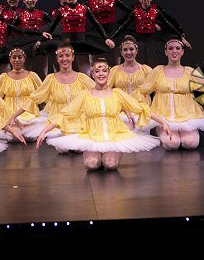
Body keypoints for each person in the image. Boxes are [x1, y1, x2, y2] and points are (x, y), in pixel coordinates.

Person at [36, 57, 165, 171]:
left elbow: (140, 107)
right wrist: (44, 131)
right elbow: (65, 114)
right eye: (97, 71)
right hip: (92, 136)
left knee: (110, 164)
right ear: (92, 74)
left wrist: (163, 122)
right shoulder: (85, 95)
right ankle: (95, 156)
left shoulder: (116, 93)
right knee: (92, 164)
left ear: (109, 73)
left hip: (114, 136)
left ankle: (111, 156)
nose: (101, 74)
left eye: (104, 71)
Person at [138, 39, 204, 150]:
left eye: (177, 48)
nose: (174, 51)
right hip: (164, 117)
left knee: (190, 143)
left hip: (187, 116)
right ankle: (168, 135)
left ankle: (184, 136)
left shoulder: (189, 72)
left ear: (182, 52)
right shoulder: (158, 71)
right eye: (170, 48)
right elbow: (142, 91)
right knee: (172, 144)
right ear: (166, 52)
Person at [21, 39, 95, 146]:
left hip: (79, 122)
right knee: (63, 147)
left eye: (67, 55)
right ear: (57, 59)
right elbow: (34, 98)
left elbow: (99, 92)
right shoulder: (51, 79)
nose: (64, 59)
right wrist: (13, 116)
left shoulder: (82, 78)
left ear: (73, 57)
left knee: (77, 146)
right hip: (57, 123)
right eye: (61, 56)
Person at [41, 0, 115, 74]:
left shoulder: (84, 8)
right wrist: (40, 41)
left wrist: (106, 38)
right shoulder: (61, 11)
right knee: (64, 72)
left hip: (81, 43)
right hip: (66, 45)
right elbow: (51, 29)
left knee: (85, 73)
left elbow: (96, 24)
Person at [112, 0, 191, 67]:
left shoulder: (156, 10)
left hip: (152, 40)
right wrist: (111, 38)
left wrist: (180, 34)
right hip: (138, 38)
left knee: (153, 62)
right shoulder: (135, 10)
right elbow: (124, 23)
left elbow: (168, 21)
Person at [0, 48, 42, 131]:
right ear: (10, 59)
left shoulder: (32, 76)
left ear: (24, 58)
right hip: (9, 115)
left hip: (29, 113)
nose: (17, 60)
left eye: (20, 57)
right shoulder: (4, 77)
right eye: (14, 57)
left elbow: (43, 93)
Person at [108, 35, 153, 103]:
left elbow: (157, 90)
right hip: (122, 107)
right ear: (121, 52)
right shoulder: (115, 70)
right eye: (125, 50)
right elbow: (106, 90)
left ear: (136, 51)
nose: (128, 52)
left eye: (131, 49)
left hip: (141, 107)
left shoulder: (146, 70)